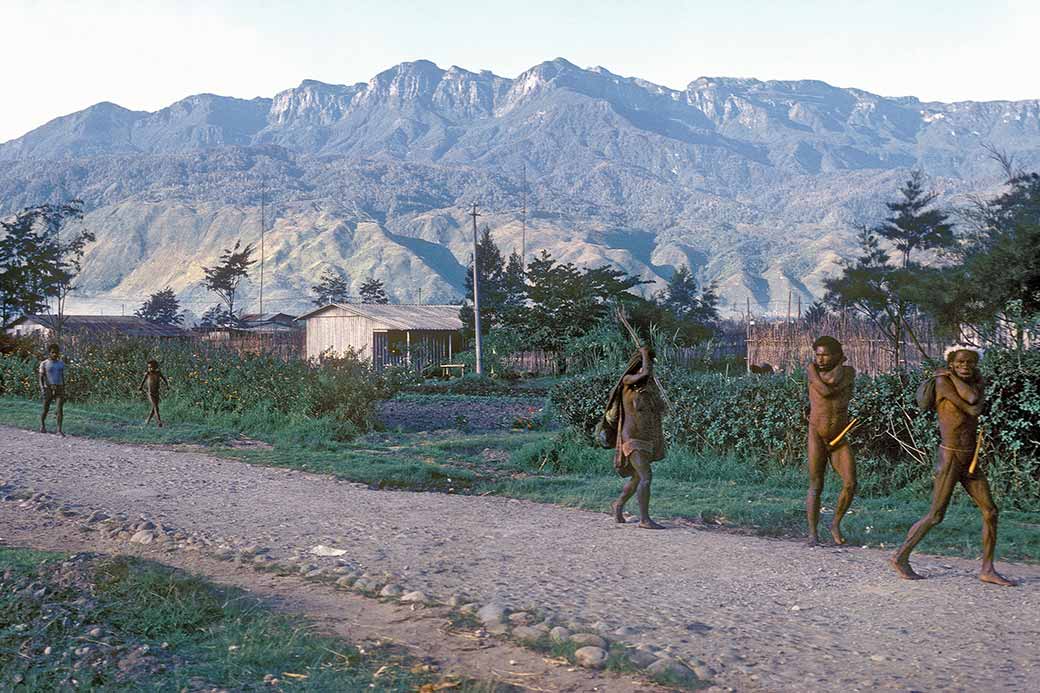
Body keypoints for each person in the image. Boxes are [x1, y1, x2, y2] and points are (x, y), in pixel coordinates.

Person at [890, 346, 1014, 586]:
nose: (965, 367)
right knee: (936, 515)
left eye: (970, 363)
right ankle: (899, 556)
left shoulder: (973, 380)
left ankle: (987, 569)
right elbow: (971, 402)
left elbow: (975, 403)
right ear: (951, 365)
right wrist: (948, 378)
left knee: (991, 511)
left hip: (970, 457)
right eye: (959, 363)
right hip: (950, 457)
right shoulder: (942, 383)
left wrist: (962, 384)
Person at [806, 336, 857, 545]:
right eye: (817, 355)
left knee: (850, 483)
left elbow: (834, 381)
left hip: (839, 436)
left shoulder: (849, 372)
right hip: (817, 434)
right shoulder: (811, 371)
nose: (820, 359)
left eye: (826, 355)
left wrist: (839, 367)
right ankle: (812, 533)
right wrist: (814, 369)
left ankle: (835, 523)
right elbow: (826, 391)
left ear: (838, 356)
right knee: (816, 484)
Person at [609, 346, 667, 529]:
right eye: (644, 365)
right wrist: (644, 353)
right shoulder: (627, 381)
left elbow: (659, 409)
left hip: (645, 439)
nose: (648, 369)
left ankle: (618, 505)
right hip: (631, 438)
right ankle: (644, 520)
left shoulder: (645, 389)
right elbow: (645, 373)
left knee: (636, 477)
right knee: (646, 477)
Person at [39, 343, 66, 437]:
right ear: (49, 353)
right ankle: (42, 425)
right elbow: (41, 377)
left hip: (59, 387)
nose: (55, 354)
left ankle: (59, 430)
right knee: (45, 409)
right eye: (53, 352)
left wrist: (64, 388)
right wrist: (42, 388)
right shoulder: (44, 363)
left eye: (56, 352)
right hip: (48, 388)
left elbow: (62, 376)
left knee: (59, 409)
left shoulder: (61, 364)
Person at [139, 359, 170, 427]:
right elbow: (143, 381)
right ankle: (159, 422)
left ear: (156, 367)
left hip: (157, 393)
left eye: (151, 367)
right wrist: (140, 387)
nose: (150, 369)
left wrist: (167, 385)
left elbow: (164, 379)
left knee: (154, 408)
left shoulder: (158, 373)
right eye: (149, 367)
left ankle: (147, 421)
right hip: (150, 393)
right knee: (156, 407)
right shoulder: (148, 374)